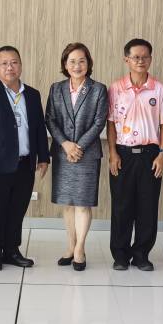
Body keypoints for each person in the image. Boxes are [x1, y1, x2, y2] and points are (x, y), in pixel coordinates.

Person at [0, 46, 49, 271]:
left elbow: (39, 128)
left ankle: (12, 251)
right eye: (4, 63)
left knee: (17, 210)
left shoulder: (32, 95)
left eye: (14, 62)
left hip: (26, 162)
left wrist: (44, 157)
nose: (9, 67)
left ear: (21, 65)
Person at [107, 38, 163, 271]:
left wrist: (162, 153)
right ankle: (120, 255)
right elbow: (110, 123)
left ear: (151, 59)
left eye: (145, 57)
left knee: (147, 207)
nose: (140, 61)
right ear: (126, 59)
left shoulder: (160, 89)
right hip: (123, 154)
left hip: (150, 155)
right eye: (135, 57)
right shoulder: (116, 88)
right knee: (121, 207)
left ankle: (141, 254)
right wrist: (113, 153)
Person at [45, 42, 108, 271]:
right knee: (68, 204)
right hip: (63, 153)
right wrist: (65, 144)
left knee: (82, 204)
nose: (77, 65)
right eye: (72, 61)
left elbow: (99, 122)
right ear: (65, 64)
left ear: (88, 63)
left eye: (82, 61)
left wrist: (78, 146)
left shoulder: (98, 89)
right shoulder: (56, 88)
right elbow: (50, 118)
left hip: (87, 154)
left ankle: (80, 248)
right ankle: (70, 247)